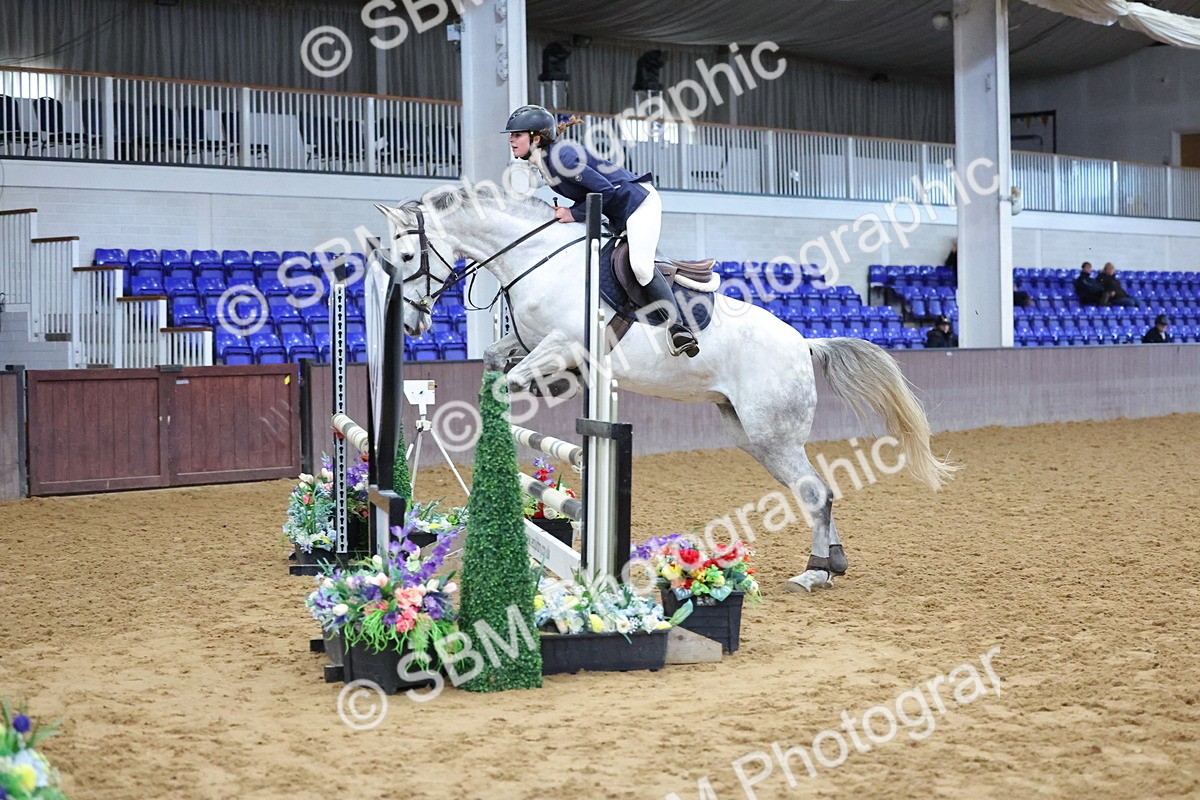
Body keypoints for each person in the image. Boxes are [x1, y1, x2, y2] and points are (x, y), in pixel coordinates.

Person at [503, 104, 699, 357]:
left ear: (536, 137)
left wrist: (573, 214)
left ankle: (678, 328)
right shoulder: (545, 164)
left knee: (640, 266)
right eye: (511, 135)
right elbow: (589, 194)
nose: (511, 139)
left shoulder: (562, 158)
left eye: (516, 134)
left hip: (637, 204)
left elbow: (605, 190)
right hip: (614, 211)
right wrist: (571, 211)